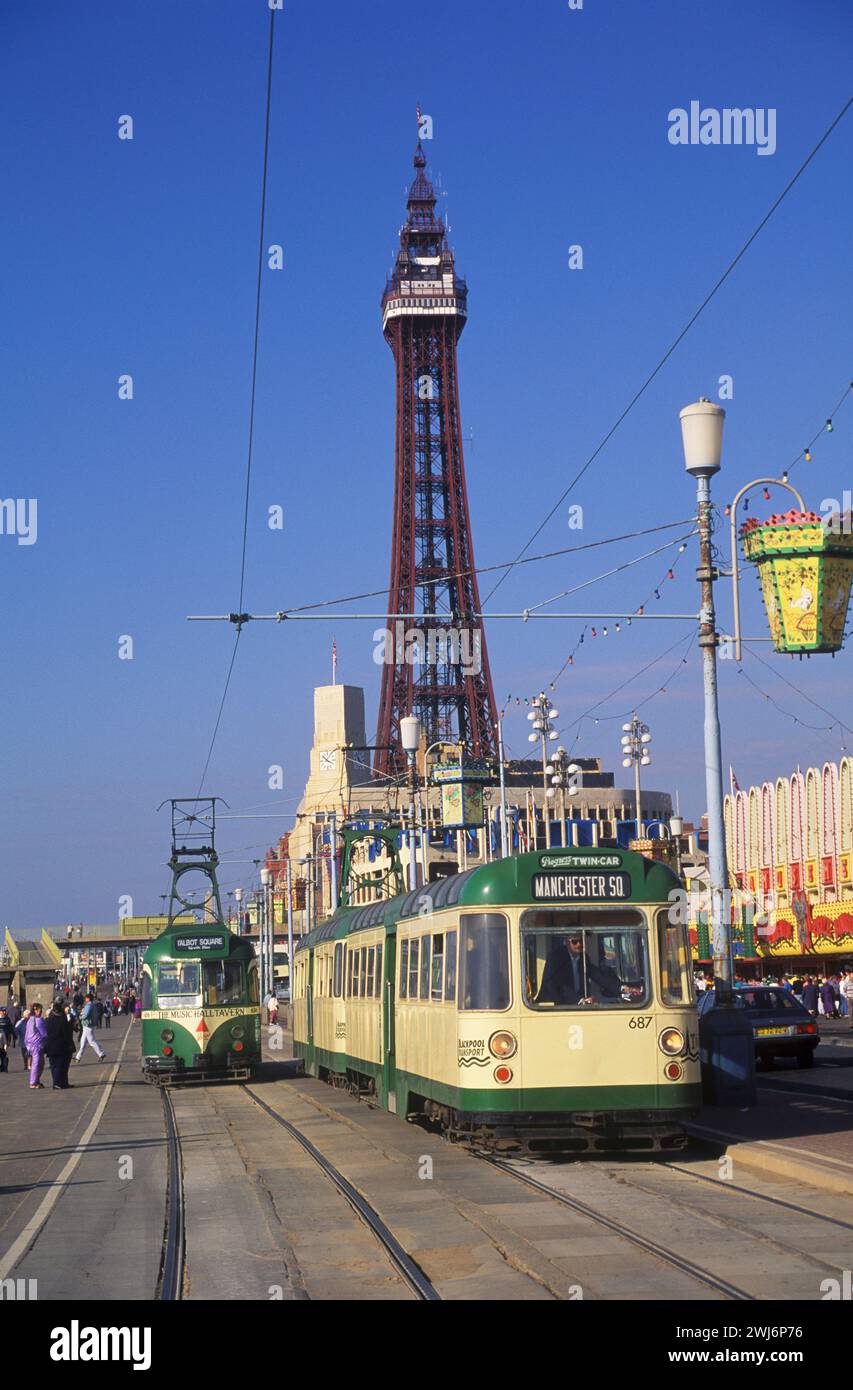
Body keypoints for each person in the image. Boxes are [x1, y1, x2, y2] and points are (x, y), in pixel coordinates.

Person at [536, 932, 639, 1007]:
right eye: (574, 941)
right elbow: (556, 985)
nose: (579, 944)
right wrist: (580, 1000)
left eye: (581, 941)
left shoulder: (583, 957)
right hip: (553, 1006)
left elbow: (598, 976)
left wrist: (623, 988)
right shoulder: (555, 957)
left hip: (575, 1005)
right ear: (567, 942)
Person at [45, 1001, 75, 1090]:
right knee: (61, 1066)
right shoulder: (62, 1020)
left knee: (54, 1065)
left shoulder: (48, 1020)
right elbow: (66, 1034)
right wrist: (70, 1044)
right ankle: (59, 1083)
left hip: (50, 1046)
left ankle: (59, 1083)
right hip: (61, 1047)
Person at [74, 994, 107, 1064]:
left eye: (86, 998)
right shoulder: (93, 1005)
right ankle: (78, 1057)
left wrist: (80, 1016)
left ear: (88, 999)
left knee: (91, 1041)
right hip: (90, 1024)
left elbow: (85, 1015)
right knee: (83, 1041)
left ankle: (101, 1053)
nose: (85, 999)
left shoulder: (88, 1006)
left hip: (87, 1025)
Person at [25, 1004, 47, 1089]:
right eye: (39, 1010)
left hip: (30, 1044)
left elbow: (26, 1034)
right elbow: (44, 1034)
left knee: (39, 1063)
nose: (41, 1011)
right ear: (35, 1010)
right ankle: (33, 1082)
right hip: (37, 1045)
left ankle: (36, 1081)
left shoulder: (30, 1020)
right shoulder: (39, 1020)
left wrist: (27, 1044)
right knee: (37, 1064)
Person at [0, 1006, 13, 1073]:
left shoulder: (7, 1019)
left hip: (5, 1039)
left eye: (5, 1011)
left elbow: (11, 1028)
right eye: (3, 1011)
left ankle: (5, 1067)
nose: (4, 1012)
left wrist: (12, 1037)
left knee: (4, 1054)